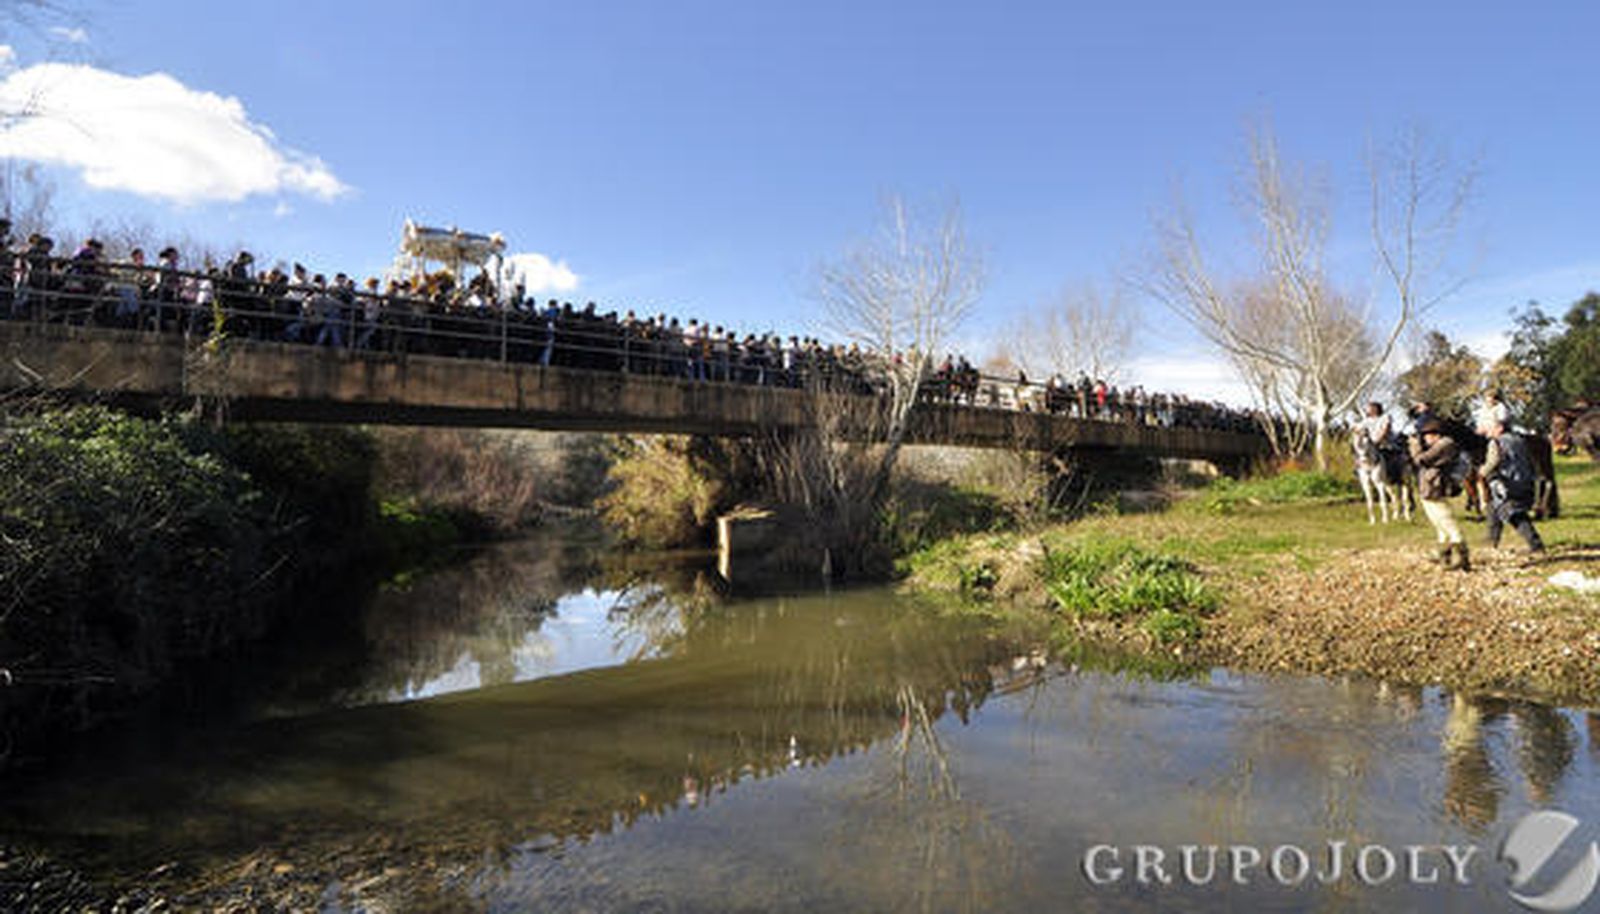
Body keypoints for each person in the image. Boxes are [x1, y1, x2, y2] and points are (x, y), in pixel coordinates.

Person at [1409, 418, 1469, 570]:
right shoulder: (1440, 444)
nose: (1425, 438)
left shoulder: (1445, 444)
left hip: (1436, 486)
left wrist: (1414, 446)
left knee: (1447, 520)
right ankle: (1444, 555)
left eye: (1427, 435)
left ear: (1436, 434)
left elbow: (1421, 460)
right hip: (1430, 485)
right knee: (1439, 524)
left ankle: (1462, 557)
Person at [1480, 417, 1545, 554]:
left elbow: (1494, 461)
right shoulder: (1520, 440)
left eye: (1490, 427)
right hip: (1526, 482)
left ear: (1500, 428)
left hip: (1507, 484)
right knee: (1493, 510)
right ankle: (1491, 542)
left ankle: (1536, 545)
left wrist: (1482, 472)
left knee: (1515, 515)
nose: (1486, 431)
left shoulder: (1496, 442)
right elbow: (1531, 461)